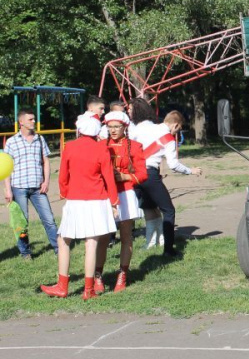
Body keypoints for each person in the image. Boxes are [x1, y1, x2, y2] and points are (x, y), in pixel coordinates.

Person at [40, 115, 119, 300]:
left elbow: (63, 175)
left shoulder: (70, 147)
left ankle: (62, 285)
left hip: (75, 199)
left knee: (63, 240)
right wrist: (114, 201)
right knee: (91, 243)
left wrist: (64, 192)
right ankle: (89, 289)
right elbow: (109, 178)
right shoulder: (102, 149)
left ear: (79, 130)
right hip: (98, 200)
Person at [131, 105, 202, 256]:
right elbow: (173, 165)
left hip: (135, 175)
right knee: (168, 210)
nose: (176, 133)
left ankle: (152, 242)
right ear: (175, 124)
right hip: (150, 174)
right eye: (178, 129)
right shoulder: (168, 139)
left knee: (149, 208)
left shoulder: (147, 127)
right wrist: (191, 171)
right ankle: (168, 249)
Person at [93, 111, 147, 294]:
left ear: (125, 127)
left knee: (126, 236)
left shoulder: (136, 146)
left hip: (125, 193)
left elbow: (142, 174)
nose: (113, 130)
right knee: (103, 237)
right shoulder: (100, 145)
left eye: (117, 126)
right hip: (105, 194)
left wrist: (124, 176)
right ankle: (98, 275)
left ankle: (122, 274)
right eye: (110, 126)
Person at [2, 108, 59, 259]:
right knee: (22, 223)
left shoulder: (39, 139)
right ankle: (25, 253)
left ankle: (59, 249)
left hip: (38, 188)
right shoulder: (12, 142)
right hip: (18, 187)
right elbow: (6, 167)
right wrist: (8, 190)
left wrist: (46, 181)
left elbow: (46, 161)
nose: (34, 122)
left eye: (34, 119)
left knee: (49, 220)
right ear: (21, 122)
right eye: (30, 119)